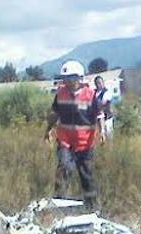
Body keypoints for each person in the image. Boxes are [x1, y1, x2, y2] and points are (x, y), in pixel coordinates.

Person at [44, 60, 103, 206]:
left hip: (85, 143)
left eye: (70, 78)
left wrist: (102, 132)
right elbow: (55, 113)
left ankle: (91, 205)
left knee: (86, 174)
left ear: (79, 78)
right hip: (65, 141)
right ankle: (59, 203)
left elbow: (99, 114)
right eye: (65, 78)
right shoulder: (61, 94)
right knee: (64, 167)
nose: (67, 82)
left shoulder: (90, 95)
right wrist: (48, 129)